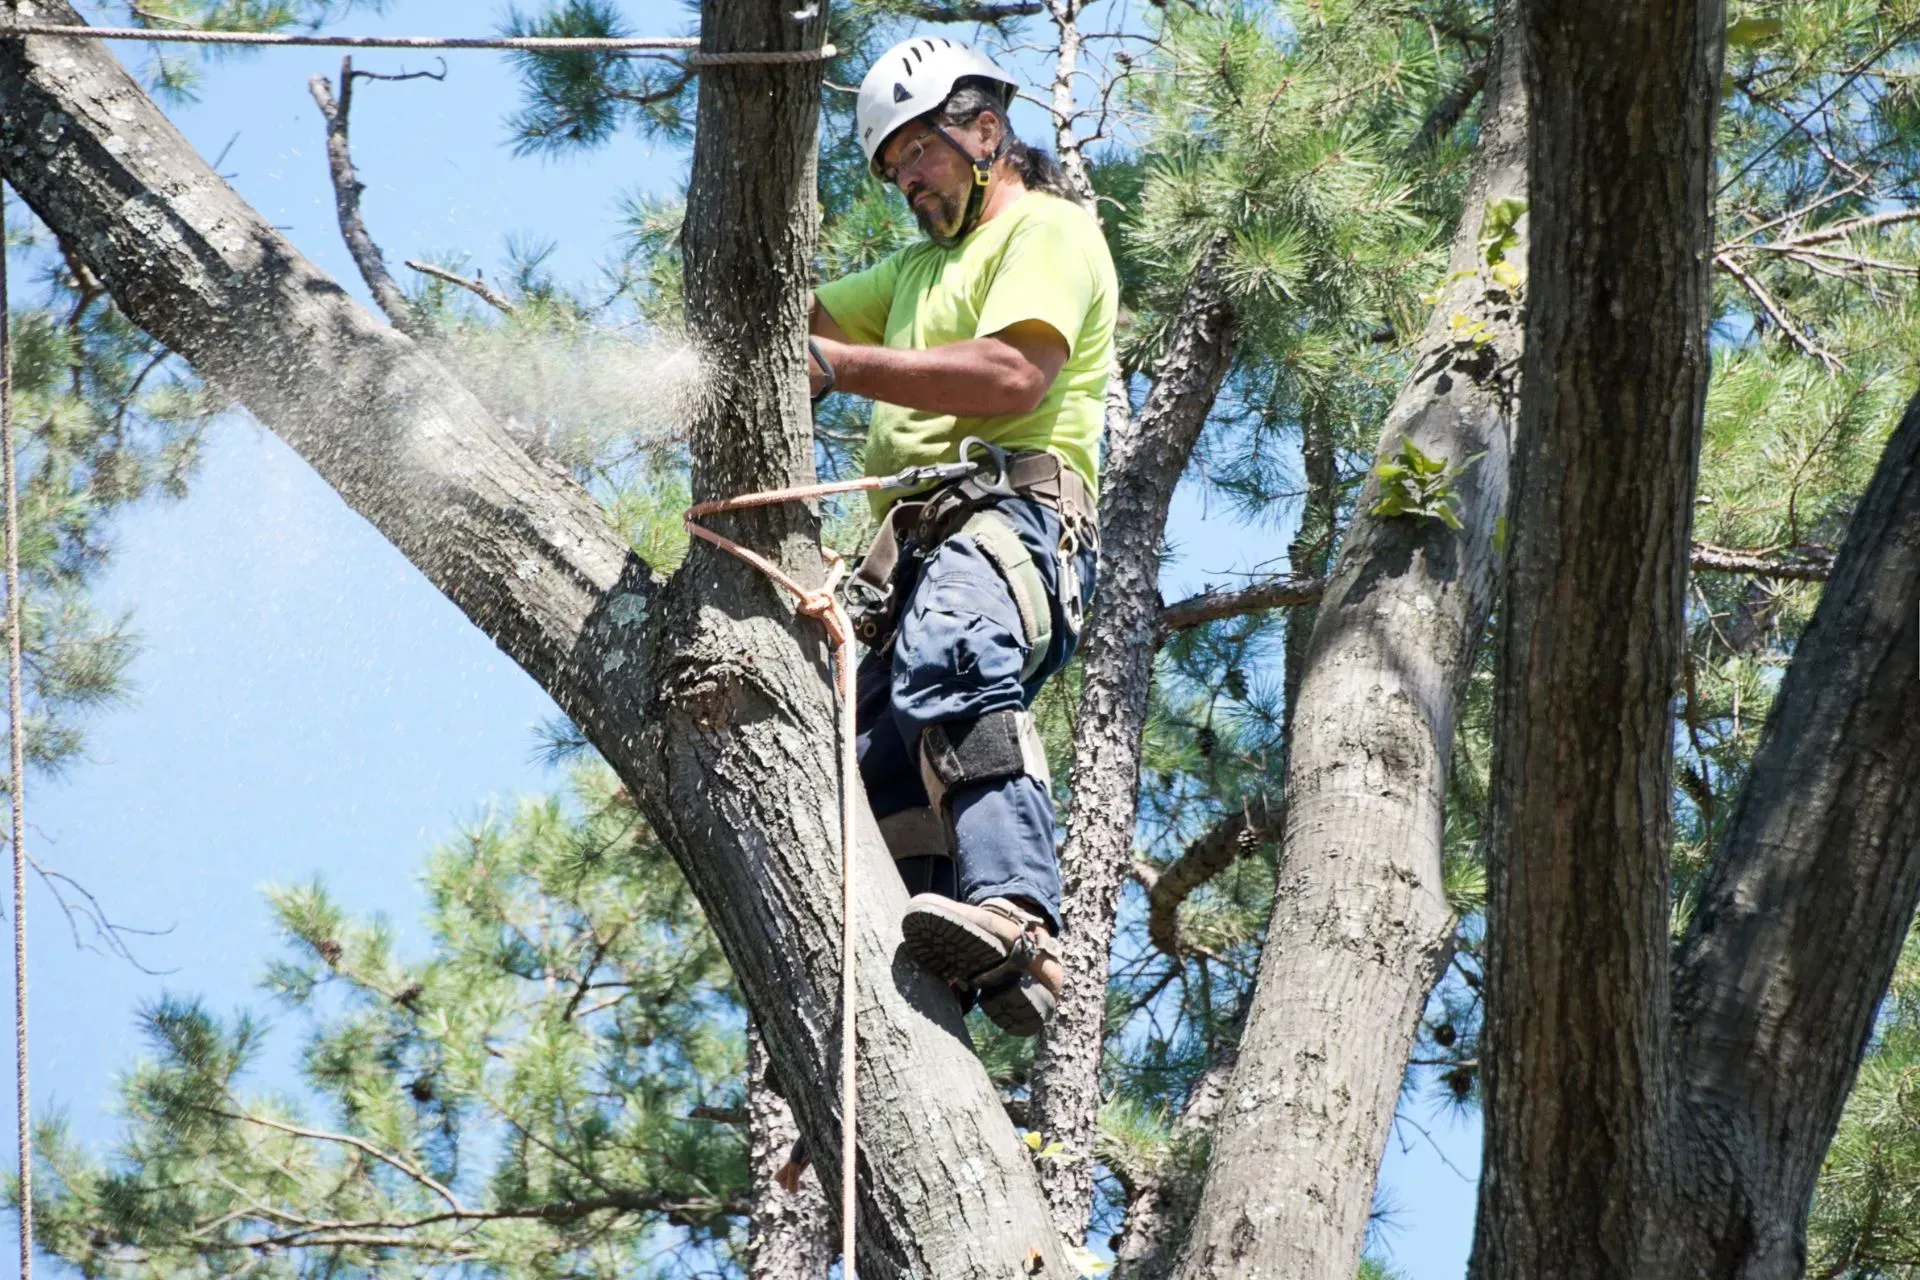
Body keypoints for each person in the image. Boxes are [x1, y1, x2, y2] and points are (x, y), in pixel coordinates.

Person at [808, 35, 1118, 1037]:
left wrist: (843, 367)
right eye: (893, 170)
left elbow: (1011, 378)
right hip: (905, 574)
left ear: (984, 129)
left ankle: (1019, 912)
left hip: (1008, 524)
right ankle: (912, 996)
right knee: (863, 765)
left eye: (918, 156)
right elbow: (790, 321)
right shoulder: (906, 275)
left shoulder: (1049, 233)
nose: (907, 183)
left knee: (952, 655)